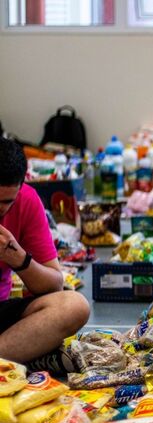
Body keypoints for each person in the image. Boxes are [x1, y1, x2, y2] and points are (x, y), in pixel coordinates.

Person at [0, 137, 90, 366]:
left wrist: (17, 258)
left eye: (5, 202)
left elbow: (53, 285)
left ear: (20, 187)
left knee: (74, 306)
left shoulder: (27, 202)